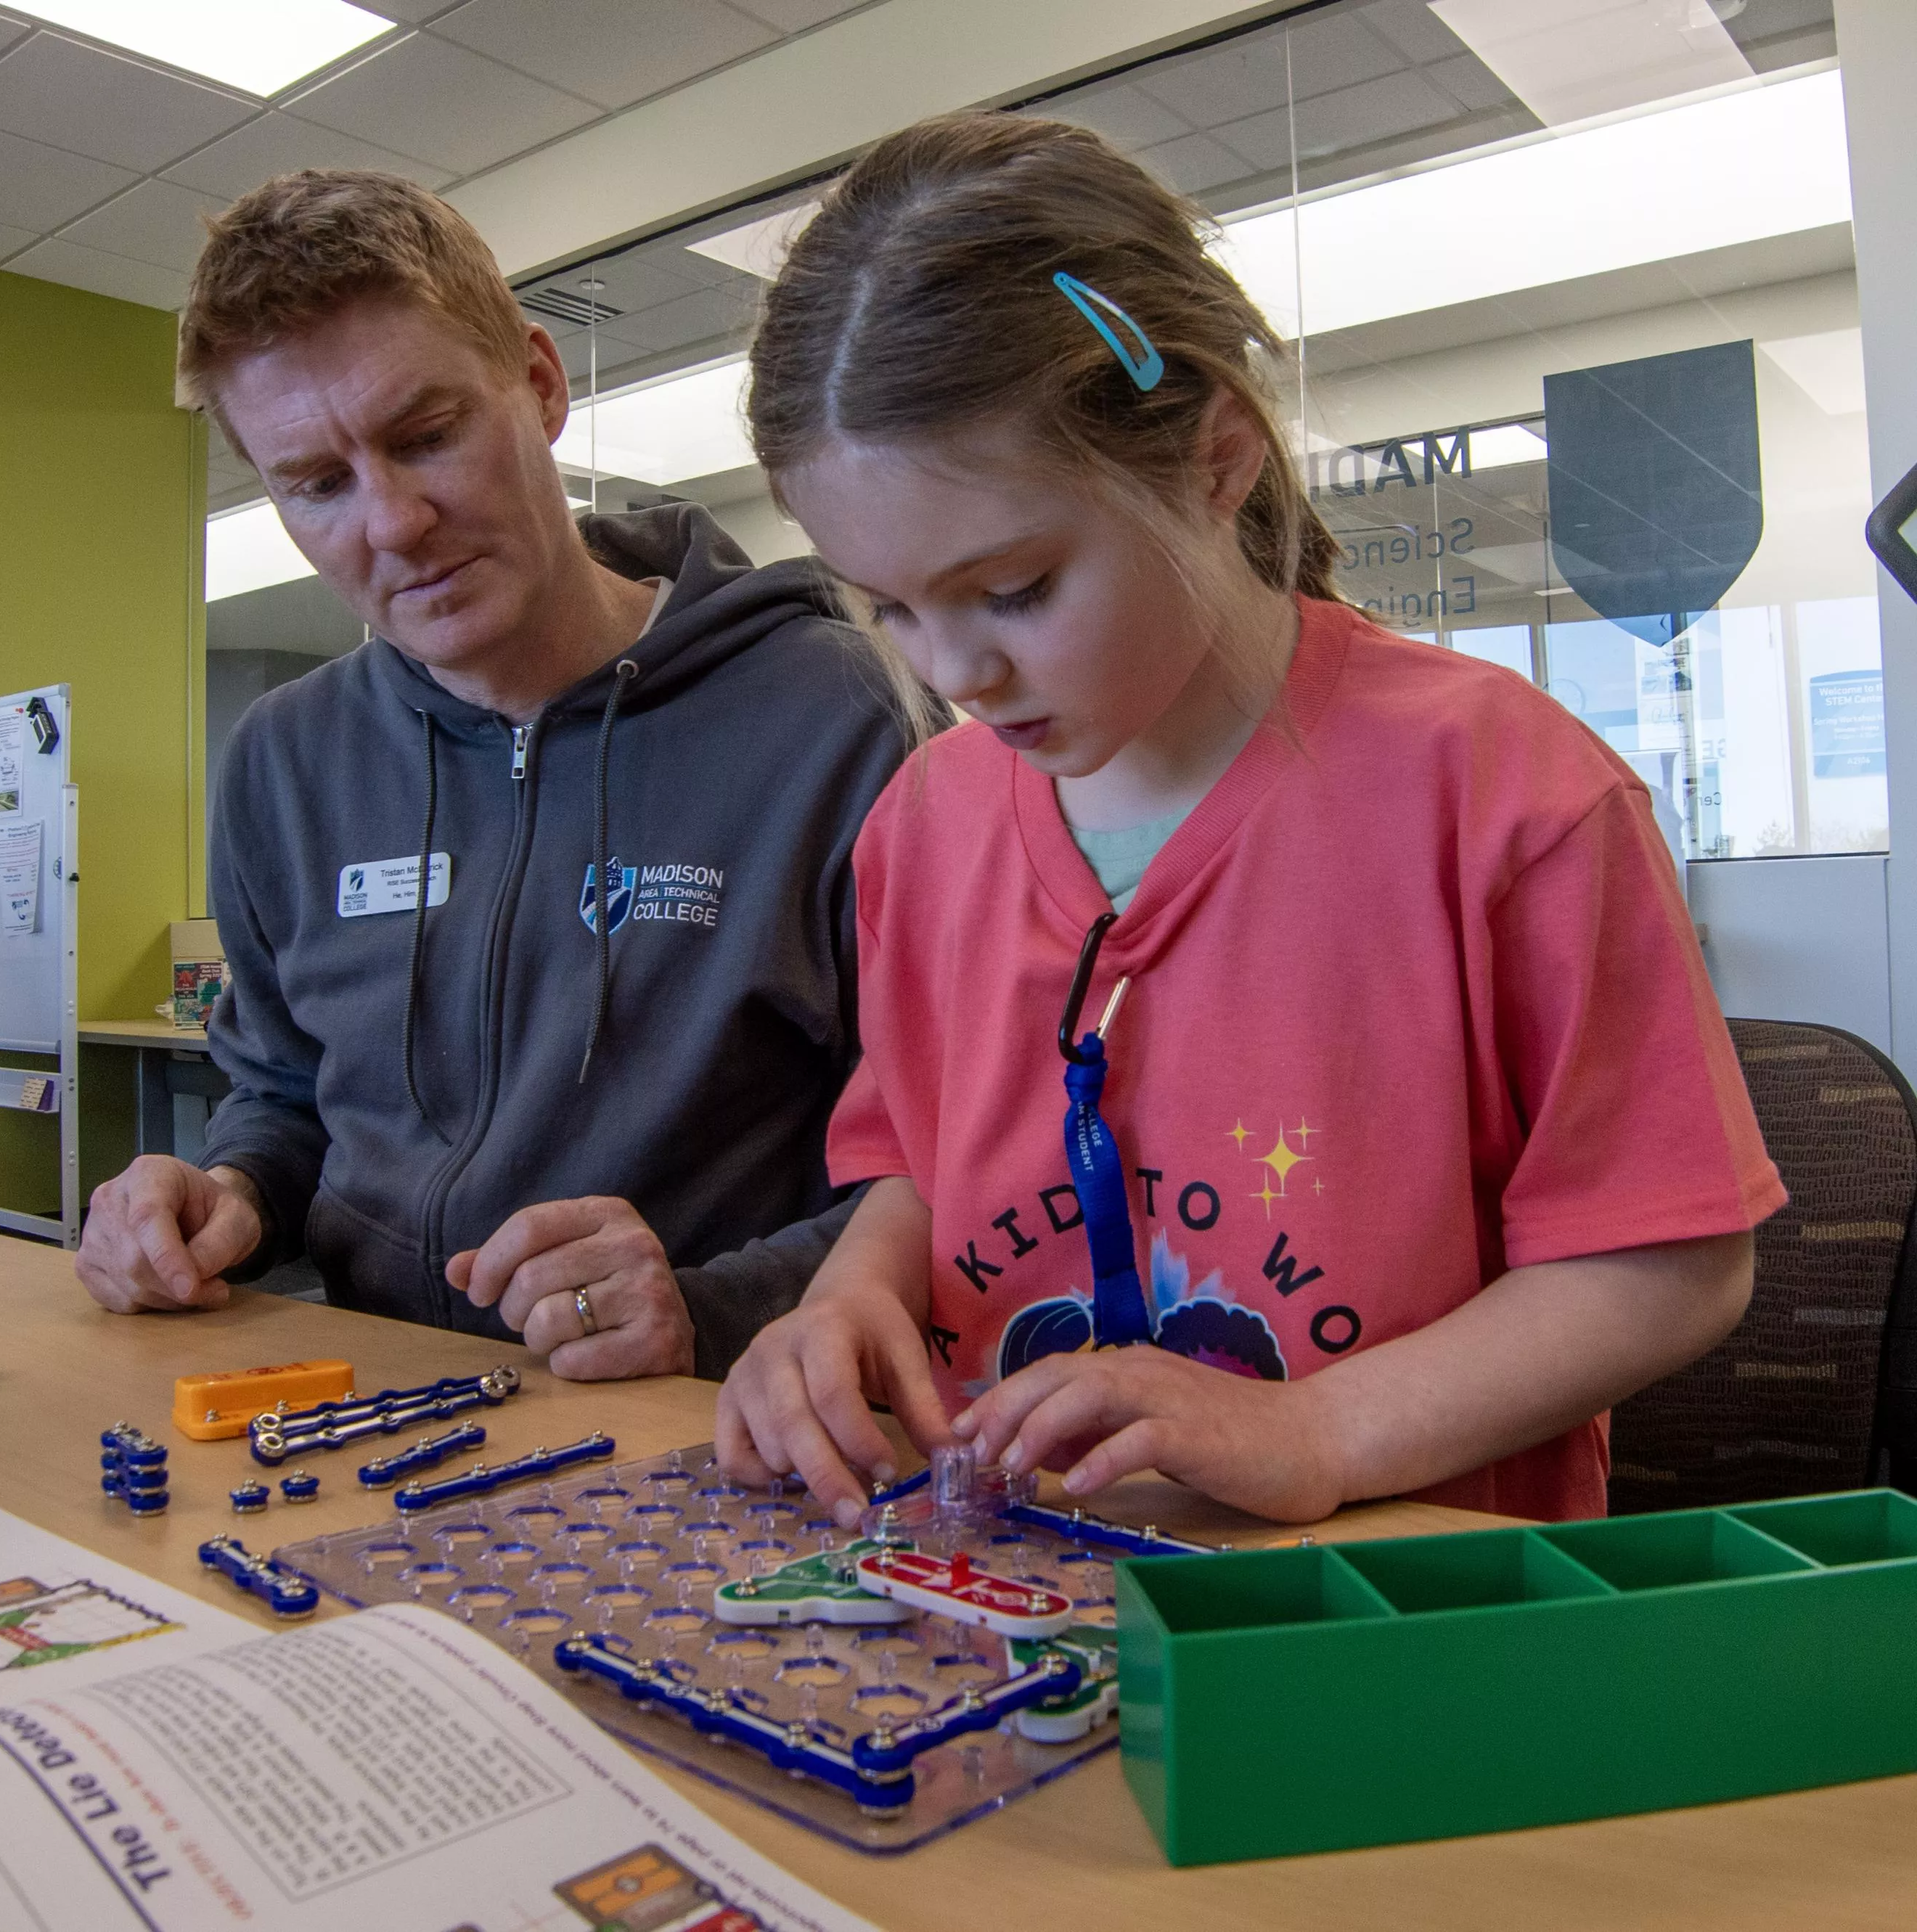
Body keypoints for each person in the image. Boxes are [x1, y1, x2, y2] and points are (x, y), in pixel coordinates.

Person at [716, 112, 1783, 1525]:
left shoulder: (1505, 789)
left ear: (1216, 457)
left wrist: (1320, 1428)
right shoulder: (922, 826)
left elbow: (1674, 1260)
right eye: (890, 607)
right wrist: (850, 1293)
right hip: (1021, 1585)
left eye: (1014, 590)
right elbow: (923, 1163)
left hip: (1383, 1602)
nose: (955, 671)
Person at [74, 171, 908, 1380]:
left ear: (542, 382)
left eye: (427, 436)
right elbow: (284, 1093)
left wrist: (712, 1307)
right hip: (368, 1404)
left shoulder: (835, 713)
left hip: (696, 1417)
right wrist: (227, 1189)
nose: (393, 521)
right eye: (318, 484)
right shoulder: (284, 760)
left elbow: (947, 1157)